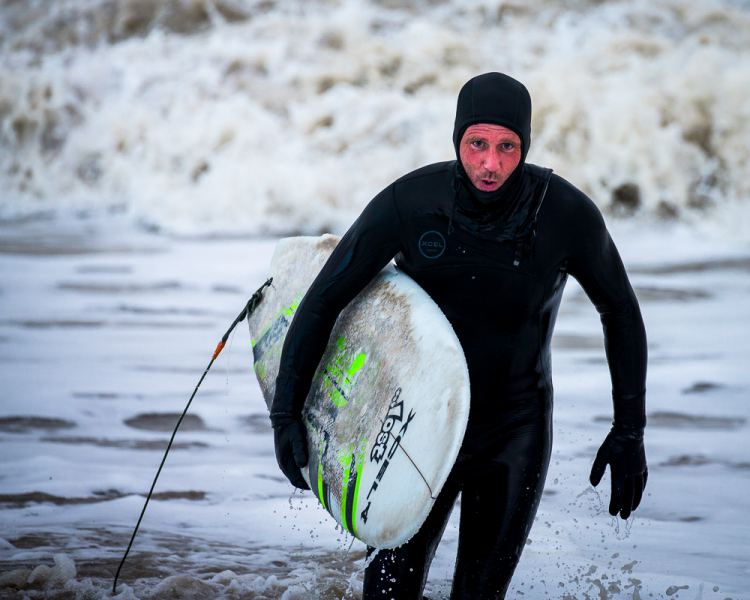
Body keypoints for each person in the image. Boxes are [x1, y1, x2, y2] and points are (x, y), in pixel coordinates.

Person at [268, 72, 648, 599]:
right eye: (477, 144)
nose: (490, 164)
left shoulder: (566, 216)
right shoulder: (411, 202)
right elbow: (326, 298)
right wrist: (285, 411)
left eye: (506, 147)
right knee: (389, 589)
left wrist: (630, 431)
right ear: (457, 140)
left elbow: (621, 312)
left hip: (515, 430)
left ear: (525, 145)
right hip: (414, 429)